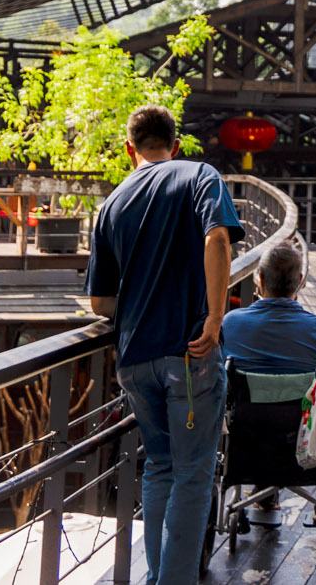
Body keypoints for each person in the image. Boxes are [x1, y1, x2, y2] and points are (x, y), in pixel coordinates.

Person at [87, 106, 245, 585]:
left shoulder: (111, 204)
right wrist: (216, 319)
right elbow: (217, 239)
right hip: (189, 352)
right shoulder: (199, 174)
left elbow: (99, 302)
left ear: (128, 149)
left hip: (135, 358)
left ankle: (159, 576)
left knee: (158, 466)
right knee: (194, 474)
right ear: (176, 145)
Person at [221, 242, 316, 403]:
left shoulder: (230, 323)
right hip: (302, 425)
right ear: (299, 281)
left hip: (242, 423)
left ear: (261, 279)